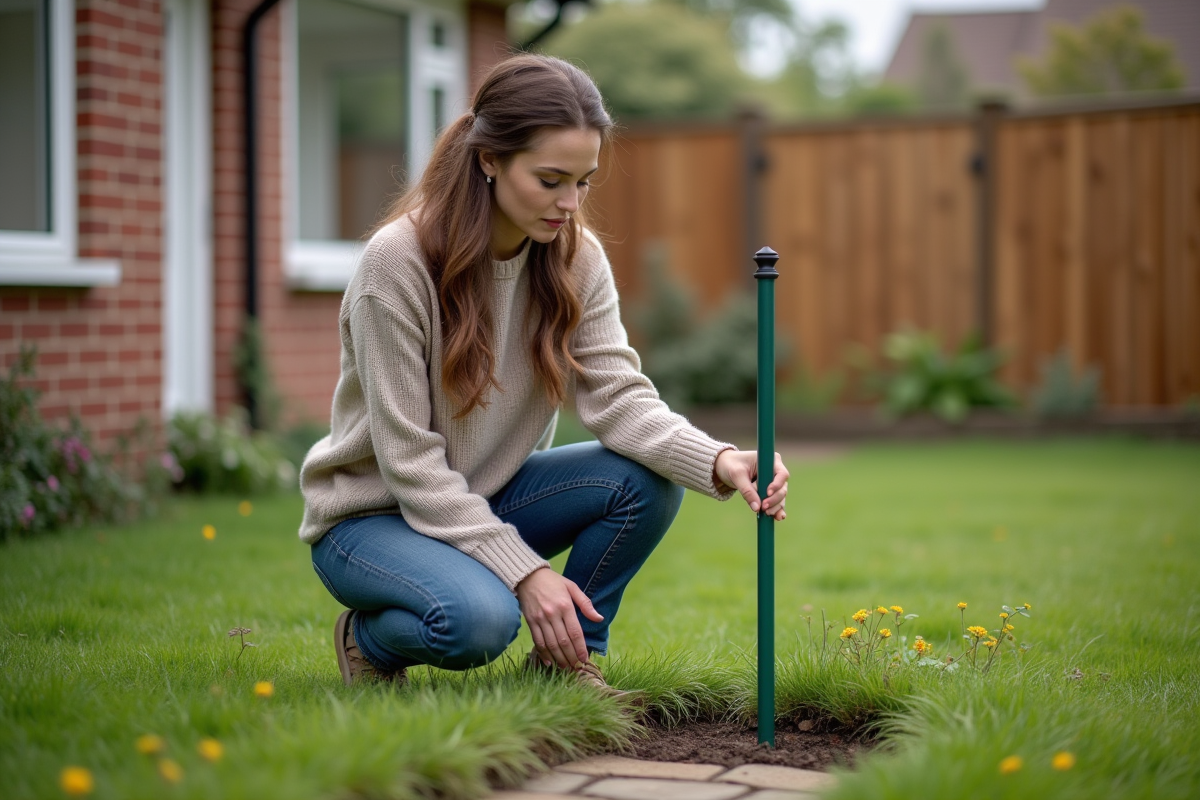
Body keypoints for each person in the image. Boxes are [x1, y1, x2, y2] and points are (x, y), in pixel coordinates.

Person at [298, 53, 789, 693]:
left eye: (583, 182)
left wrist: (718, 458)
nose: (569, 203)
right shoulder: (398, 265)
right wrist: (525, 573)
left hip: (486, 492)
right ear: (489, 159)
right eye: (551, 179)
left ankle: (563, 666)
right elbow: (410, 463)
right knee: (480, 622)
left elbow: (618, 399)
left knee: (647, 480)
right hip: (373, 519)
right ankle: (366, 639)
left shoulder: (574, 257)